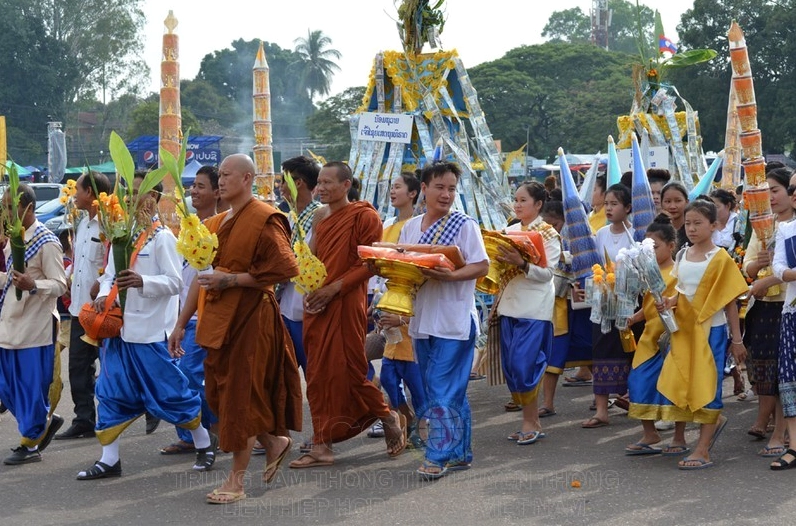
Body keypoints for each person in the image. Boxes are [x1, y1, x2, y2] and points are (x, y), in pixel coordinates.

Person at [169, 154, 303, 503]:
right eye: (221, 175)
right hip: (218, 321)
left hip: (252, 319)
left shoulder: (264, 218)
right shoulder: (213, 225)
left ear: (247, 179)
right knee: (222, 395)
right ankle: (274, 442)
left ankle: (237, 481)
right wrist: (180, 324)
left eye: (228, 175)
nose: (222, 180)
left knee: (240, 398)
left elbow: (286, 268)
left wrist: (232, 280)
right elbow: (202, 276)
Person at [78, 172, 216, 480]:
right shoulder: (120, 236)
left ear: (152, 199)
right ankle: (109, 460)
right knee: (109, 391)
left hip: (151, 333)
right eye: (127, 192)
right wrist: (103, 296)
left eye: (137, 193)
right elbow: (109, 277)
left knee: (172, 393)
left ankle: (204, 444)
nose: (129, 198)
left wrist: (143, 281)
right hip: (120, 333)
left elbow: (174, 282)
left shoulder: (163, 236)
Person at [288, 161, 406, 469]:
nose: (322, 188)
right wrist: (308, 286)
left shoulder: (364, 215)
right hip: (318, 302)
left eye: (329, 182)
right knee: (316, 373)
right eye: (319, 183)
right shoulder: (317, 215)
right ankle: (321, 444)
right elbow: (311, 257)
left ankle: (387, 416)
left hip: (345, 301)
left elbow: (369, 264)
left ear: (346, 185)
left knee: (352, 370)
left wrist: (332, 290)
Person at [397, 161, 489, 479]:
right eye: (439, 187)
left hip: (454, 319)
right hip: (422, 320)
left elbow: (481, 266)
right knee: (447, 389)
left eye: (451, 188)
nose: (446, 194)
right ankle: (460, 452)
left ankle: (438, 454)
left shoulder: (464, 225)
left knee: (441, 389)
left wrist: (451, 277)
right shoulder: (410, 227)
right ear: (423, 188)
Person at [657, 198, 747, 470]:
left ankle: (703, 449)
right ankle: (694, 434)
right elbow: (682, 292)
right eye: (688, 223)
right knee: (682, 380)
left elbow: (730, 302)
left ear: (714, 225)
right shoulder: (683, 254)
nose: (692, 228)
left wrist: (737, 339)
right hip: (684, 330)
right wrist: (669, 302)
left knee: (707, 386)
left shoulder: (721, 258)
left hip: (712, 331)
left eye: (698, 223)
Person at [0, 184, 67, 465]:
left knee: (27, 387)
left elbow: (61, 285)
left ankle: (30, 443)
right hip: (9, 324)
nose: (4, 211)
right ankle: (43, 419)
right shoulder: (14, 239)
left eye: (7, 205)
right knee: (6, 388)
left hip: (34, 327)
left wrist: (33, 284)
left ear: (25, 207)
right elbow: (9, 280)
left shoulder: (47, 241)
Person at [159, 165, 220, 456]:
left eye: (201, 186)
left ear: (218, 192)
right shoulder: (188, 225)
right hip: (184, 314)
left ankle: (209, 432)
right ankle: (196, 434)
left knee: (190, 376)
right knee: (184, 376)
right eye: (192, 186)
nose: (194, 191)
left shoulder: (219, 227)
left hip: (205, 315)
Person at [493, 182, 560, 444]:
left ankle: (530, 421)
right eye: (516, 200)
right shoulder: (507, 231)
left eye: (523, 201)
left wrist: (521, 263)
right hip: (509, 306)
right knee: (511, 367)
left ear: (538, 204)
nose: (518, 205)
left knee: (524, 366)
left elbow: (547, 275)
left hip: (534, 309)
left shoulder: (548, 235)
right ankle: (531, 420)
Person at [624, 214, 688, 455]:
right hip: (650, 337)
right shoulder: (646, 273)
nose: (651, 252)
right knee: (638, 381)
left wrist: (672, 304)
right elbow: (648, 306)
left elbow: (685, 301)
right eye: (647, 247)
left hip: (673, 337)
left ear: (671, 246)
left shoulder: (679, 272)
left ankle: (679, 437)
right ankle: (650, 434)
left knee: (674, 386)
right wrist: (634, 317)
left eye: (656, 247)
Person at [56, 171, 112, 440]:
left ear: (90, 193)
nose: (74, 194)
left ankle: (139, 410)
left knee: (114, 367)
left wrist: (101, 284)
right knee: (78, 367)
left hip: (103, 312)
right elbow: (80, 263)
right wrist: (67, 279)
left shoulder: (109, 226)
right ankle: (84, 419)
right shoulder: (82, 224)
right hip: (79, 311)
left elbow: (114, 266)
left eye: (77, 189)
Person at [372, 172, 426, 443]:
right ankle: (404, 419)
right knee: (390, 380)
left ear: (414, 192)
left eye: (397, 187)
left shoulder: (421, 228)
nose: (392, 191)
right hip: (387, 308)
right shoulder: (388, 224)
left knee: (417, 384)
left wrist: (403, 319)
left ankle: (421, 428)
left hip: (411, 317)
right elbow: (379, 271)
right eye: (390, 187)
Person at [743, 168, 793, 456]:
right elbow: (748, 266)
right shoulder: (763, 224)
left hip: (789, 305)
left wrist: (770, 276)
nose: (770, 197)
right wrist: (759, 264)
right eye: (766, 191)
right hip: (763, 307)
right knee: (764, 369)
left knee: (785, 371)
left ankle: (781, 430)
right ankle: (772, 423)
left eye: (775, 190)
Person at [583, 183, 635, 429]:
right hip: (603, 304)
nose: (610, 208)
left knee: (629, 352)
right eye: (607, 204)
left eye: (615, 204)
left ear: (628, 207)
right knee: (601, 351)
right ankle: (601, 409)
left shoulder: (635, 234)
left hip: (628, 304)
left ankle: (632, 400)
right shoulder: (601, 233)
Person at [538, 200, 593, 417]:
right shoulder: (544, 243)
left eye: (556, 224)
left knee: (592, 351)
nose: (553, 229)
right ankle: (548, 402)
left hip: (582, 306)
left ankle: (604, 399)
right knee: (553, 355)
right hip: (557, 307)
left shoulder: (587, 240)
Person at [278, 156, 322, 376]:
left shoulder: (321, 216)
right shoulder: (290, 218)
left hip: (309, 309)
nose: (280, 186)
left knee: (315, 375)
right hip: (286, 306)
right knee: (283, 376)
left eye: (283, 180)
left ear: (299, 183)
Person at [771, 180, 796, 469]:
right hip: (791, 311)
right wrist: (789, 273)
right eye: (792, 190)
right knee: (790, 379)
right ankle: (793, 445)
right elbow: (777, 266)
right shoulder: (786, 230)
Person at [661, 182, 690, 251]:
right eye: (668, 201)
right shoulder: (658, 231)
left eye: (678, 201)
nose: (672, 206)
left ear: (687, 202)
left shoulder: (692, 230)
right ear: (661, 203)